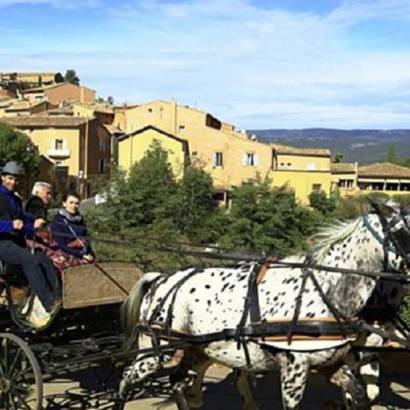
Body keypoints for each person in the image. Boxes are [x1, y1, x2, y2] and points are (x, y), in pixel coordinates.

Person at [0, 161, 61, 317]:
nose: (13, 182)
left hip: (16, 242)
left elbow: (22, 225)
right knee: (29, 259)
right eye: (10, 178)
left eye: (16, 179)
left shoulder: (15, 200)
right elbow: (15, 224)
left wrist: (35, 226)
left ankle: (58, 298)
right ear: (3, 177)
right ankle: (48, 303)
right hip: (3, 243)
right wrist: (9, 225)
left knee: (42, 258)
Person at [50, 192, 94, 271]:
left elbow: (86, 238)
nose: (74, 206)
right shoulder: (59, 221)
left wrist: (87, 252)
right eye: (71, 203)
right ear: (64, 203)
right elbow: (62, 245)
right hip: (68, 254)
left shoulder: (80, 220)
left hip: (83, 252)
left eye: (76, 203)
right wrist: (81, 254)